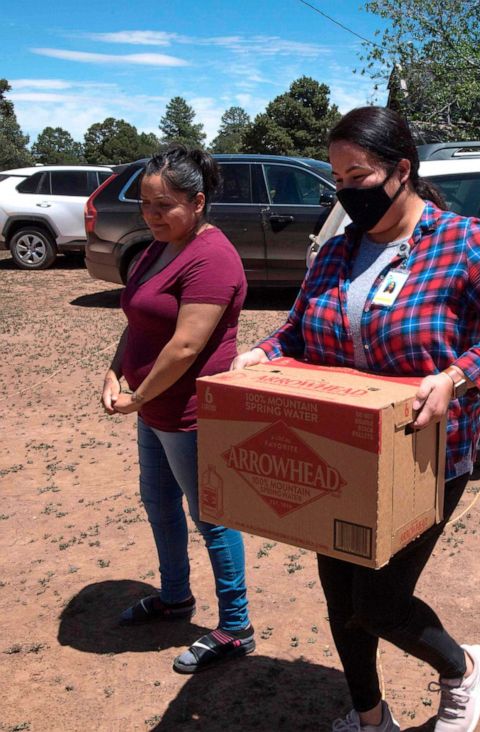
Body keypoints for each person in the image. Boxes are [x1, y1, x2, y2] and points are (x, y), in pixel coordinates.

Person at [232, 106, 480, 732]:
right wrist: (262, 353)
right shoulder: (334, 253)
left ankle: (461, 669)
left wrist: (460, 374)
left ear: (401, 171)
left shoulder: (461, 241)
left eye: (359, 177)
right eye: (338, 181)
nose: (348, 193)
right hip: (334, 450)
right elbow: (298, 331)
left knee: (378, 602)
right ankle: (369, 716)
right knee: (339, 595)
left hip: (425, 456)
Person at [101, 145, 253, 674]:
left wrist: (138, 396)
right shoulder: (154, 248)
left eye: (163, 205)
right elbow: (138, 320)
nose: (152, 215)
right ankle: (174, 596)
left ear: (198, 202)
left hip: (192, 414)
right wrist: (115, 370)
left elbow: (187, 346)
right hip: (152, 410)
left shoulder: (212, 257)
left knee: (210, 517)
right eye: (144, 204)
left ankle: (236, 627)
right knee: (159, 504)